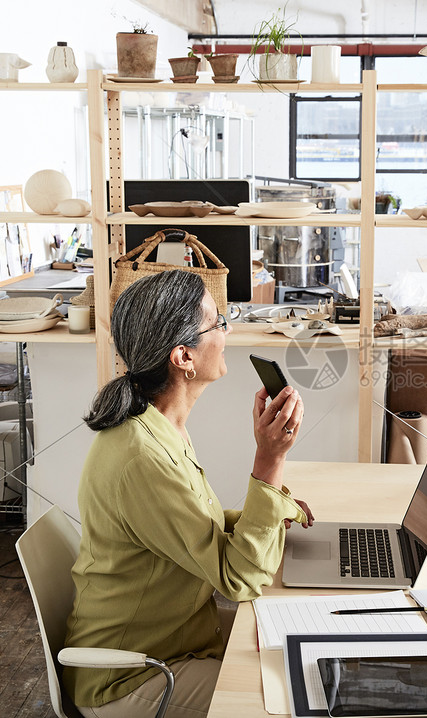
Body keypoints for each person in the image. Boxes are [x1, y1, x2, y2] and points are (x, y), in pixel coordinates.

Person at [63, 269, 313, 717]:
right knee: (288, 692)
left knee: (300, 647)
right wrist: (269, 463)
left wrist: (276, 509)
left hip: (179, 636)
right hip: (132, 676)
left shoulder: (159, 427)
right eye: (218, 323)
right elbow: (239, 580)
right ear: (183, 357)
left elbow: (200, 524)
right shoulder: (143, 458)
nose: (228, 329)